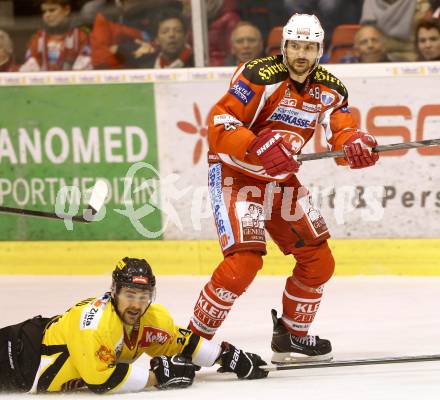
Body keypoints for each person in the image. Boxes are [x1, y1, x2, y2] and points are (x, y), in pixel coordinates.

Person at [188, 13, 380, 364]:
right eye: (295, 46)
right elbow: (220, 123)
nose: (302, 53)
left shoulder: (330, 88)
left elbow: (341, 128)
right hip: (237, 176)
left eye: (309, 47)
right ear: (283, 47)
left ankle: (291, 335)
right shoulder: (258, 75)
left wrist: (354, 142)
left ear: (319, 50)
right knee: (242, 264)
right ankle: (191, 344)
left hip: (280, 180)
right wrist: (256, 145)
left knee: (319, 261)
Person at [0, 257, 267, 393]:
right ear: (114, 292)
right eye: (129, 295)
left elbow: (180, 341)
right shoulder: (95, 324)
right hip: (17, 357)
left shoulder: (150, 318)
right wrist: (158, 377)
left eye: (143, 297)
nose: (136, 305)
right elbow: (98, 379)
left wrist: (226, 356)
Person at [19, 0, 91, 72]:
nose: (47, 15)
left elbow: (85, 67)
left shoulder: (80, 36)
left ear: (66, 10)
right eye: (44, 11)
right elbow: (28, 69)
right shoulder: (38, 38)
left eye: (52, 10)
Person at [360, 0, 432, 61]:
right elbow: (367, 37)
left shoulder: (419, 3)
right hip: (380, 58)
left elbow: (428, 33)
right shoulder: (370, 3)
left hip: (415, 58)